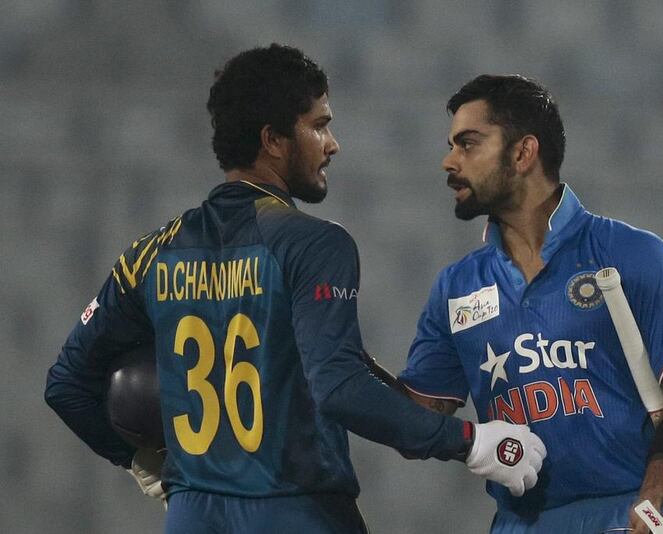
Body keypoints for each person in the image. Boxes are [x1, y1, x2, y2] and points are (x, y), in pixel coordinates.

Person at [44, 47, 548, 534]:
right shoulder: (314, 244)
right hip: (295, 512)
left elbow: (67, 384)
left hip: (192, 515)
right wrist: (472, 441)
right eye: (319, 125)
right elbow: (340, 389)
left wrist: (142, 461)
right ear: (274, 140)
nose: (332, 145)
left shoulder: (150, 254)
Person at [391, 75, 663, 533]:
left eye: (468, 144)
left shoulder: (631, 254)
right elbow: (416, 422)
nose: (449, 161)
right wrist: (337, 358)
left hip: (630, 514)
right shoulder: (455, 287)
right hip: (522, 522)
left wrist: (650, 502)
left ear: (523, 153)